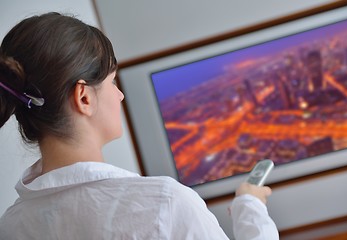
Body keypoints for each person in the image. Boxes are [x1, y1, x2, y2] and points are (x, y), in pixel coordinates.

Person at [0, 12, 279, 240]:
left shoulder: (10, 226)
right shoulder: (164, 204)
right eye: (112, 82)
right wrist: (250, 209)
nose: (119, 95)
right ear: (84, 97)